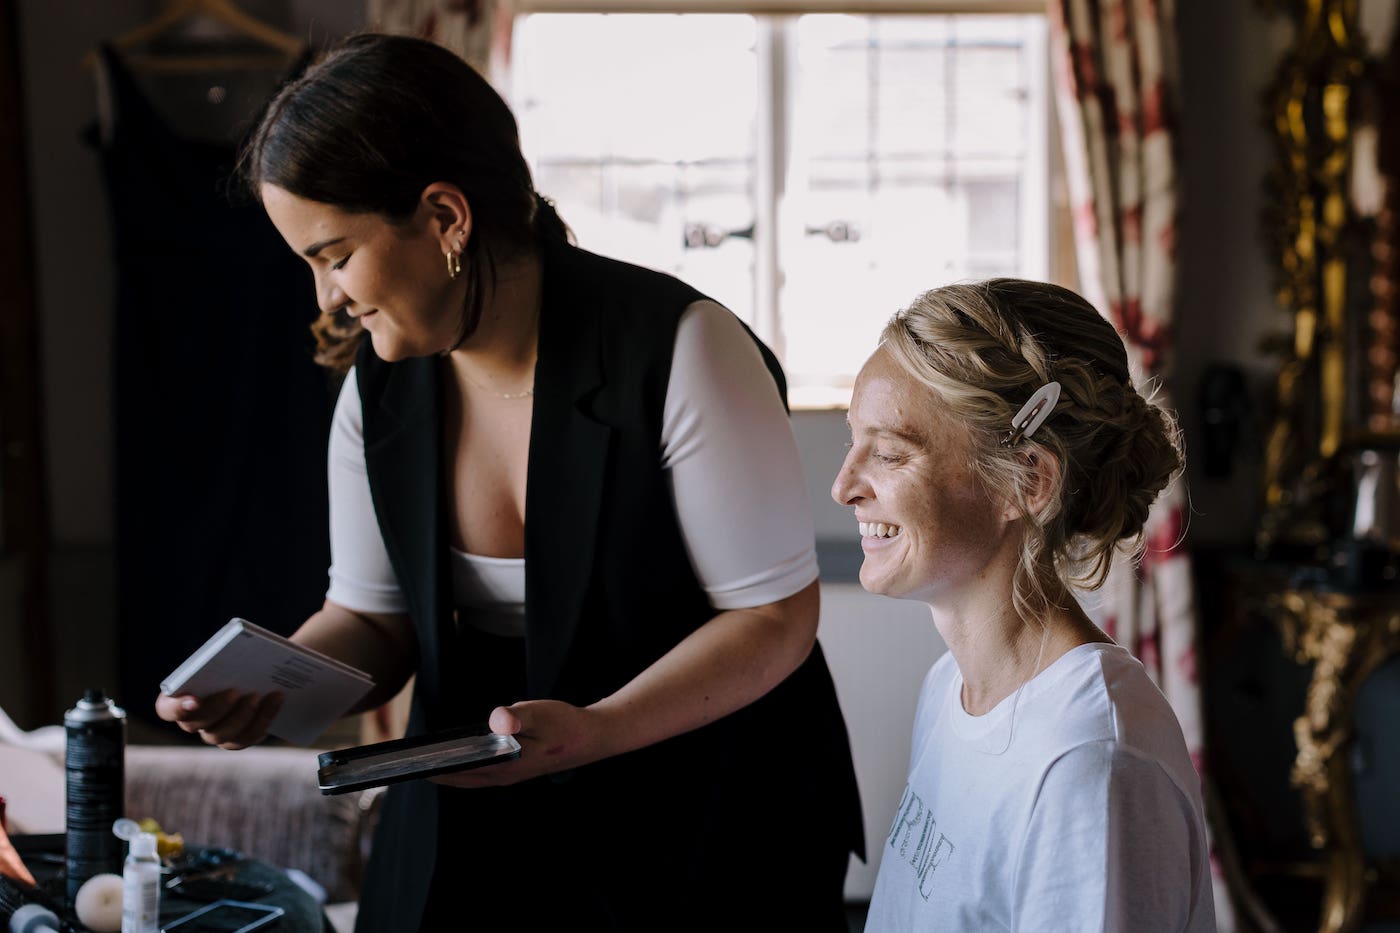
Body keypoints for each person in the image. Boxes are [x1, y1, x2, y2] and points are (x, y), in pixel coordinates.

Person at [153, 32, 864, 932]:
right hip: (476, 792)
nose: (324, 298)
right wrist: (280, 682)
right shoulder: (377, 389)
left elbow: (773, 620)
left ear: (446, 217)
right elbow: (374, 620)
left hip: (710, 795)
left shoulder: (682, 350)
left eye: (334, 254)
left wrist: (598, 728)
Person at [832, 279, 1216, 932]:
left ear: (1028, 481)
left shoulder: (1091, 767)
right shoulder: (950, 687)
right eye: (853, 441)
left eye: (891, 453)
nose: (844, 486)